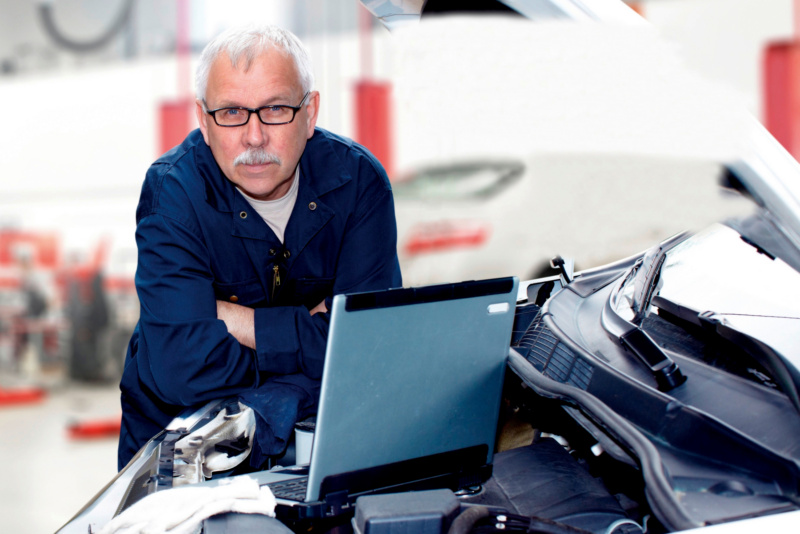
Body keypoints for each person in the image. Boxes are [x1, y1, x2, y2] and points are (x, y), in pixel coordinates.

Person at [118, 24, 402, 469]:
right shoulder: (173, 194)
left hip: (314, 438)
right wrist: (312, 341)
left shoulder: (359, 183)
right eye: (231, 112)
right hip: (182, 450)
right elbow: (182, 367)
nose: (253, 137)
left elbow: (372, 350)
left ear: (310, 113)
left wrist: (242, 323)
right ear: (203, 121)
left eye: (275, 109)